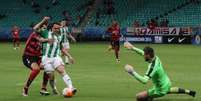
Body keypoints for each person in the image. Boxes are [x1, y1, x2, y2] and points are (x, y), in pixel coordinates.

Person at [123, 42, 196, 101]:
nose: (143, 55)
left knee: (139, 97)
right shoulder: (155, 57)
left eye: (145, 55)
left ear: (148, 55)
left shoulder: (152, 67)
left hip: (160, 89)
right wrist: (133, 48)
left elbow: (144, 81)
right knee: (168, 90)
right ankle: (189, 92)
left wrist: (132, 72)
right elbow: (142, 52)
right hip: (167, 82)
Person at [34, 17, 77, 95]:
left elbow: (61, 48)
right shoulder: (45, 32)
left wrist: (69, 56)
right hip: (46, 58)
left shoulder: (59, 36)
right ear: (52, 28)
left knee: (62, 71)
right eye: (56, 28)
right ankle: (54, 88)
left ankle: (71, 87)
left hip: (56, 57)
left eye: (58, 28)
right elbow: (35, 28)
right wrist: (43, 21)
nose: (57, 29)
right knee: (51, 77)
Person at [22, 17, 54, 96]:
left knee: (48, 67)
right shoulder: (34, 34)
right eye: (42, 28)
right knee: (36, 69)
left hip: (38, 57)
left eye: (45, 28)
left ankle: (43, 88)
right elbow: (40, 39)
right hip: (28, 56)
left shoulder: (45, 35)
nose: (43, 29)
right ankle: (26, 87)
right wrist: (44, 21)